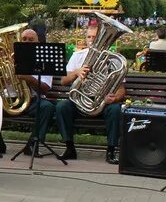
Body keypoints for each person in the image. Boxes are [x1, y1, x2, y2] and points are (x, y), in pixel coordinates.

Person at [54, 23, 126, 164]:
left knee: (115, 110)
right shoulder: (77, 56)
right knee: (62, 107)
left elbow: (121, 88)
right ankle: (69, 148)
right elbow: (63, 81)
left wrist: (114, 97)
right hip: (79, 101)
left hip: (103, 103)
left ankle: (111, 151)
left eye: (95, 36)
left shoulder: (114, 60)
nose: (92, 39)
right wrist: (76, 72)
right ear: (85, 39)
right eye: (89, 37)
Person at [15, 28, 56, 154]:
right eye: (24, 39)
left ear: (37, 43)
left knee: (47, 107)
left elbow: (46, 89)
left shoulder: (44, 59)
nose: (27, 42)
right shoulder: (10, 58)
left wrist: (29, 78)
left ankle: (33, 144)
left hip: (31, 100)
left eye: (31, 40)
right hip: (11, 99)